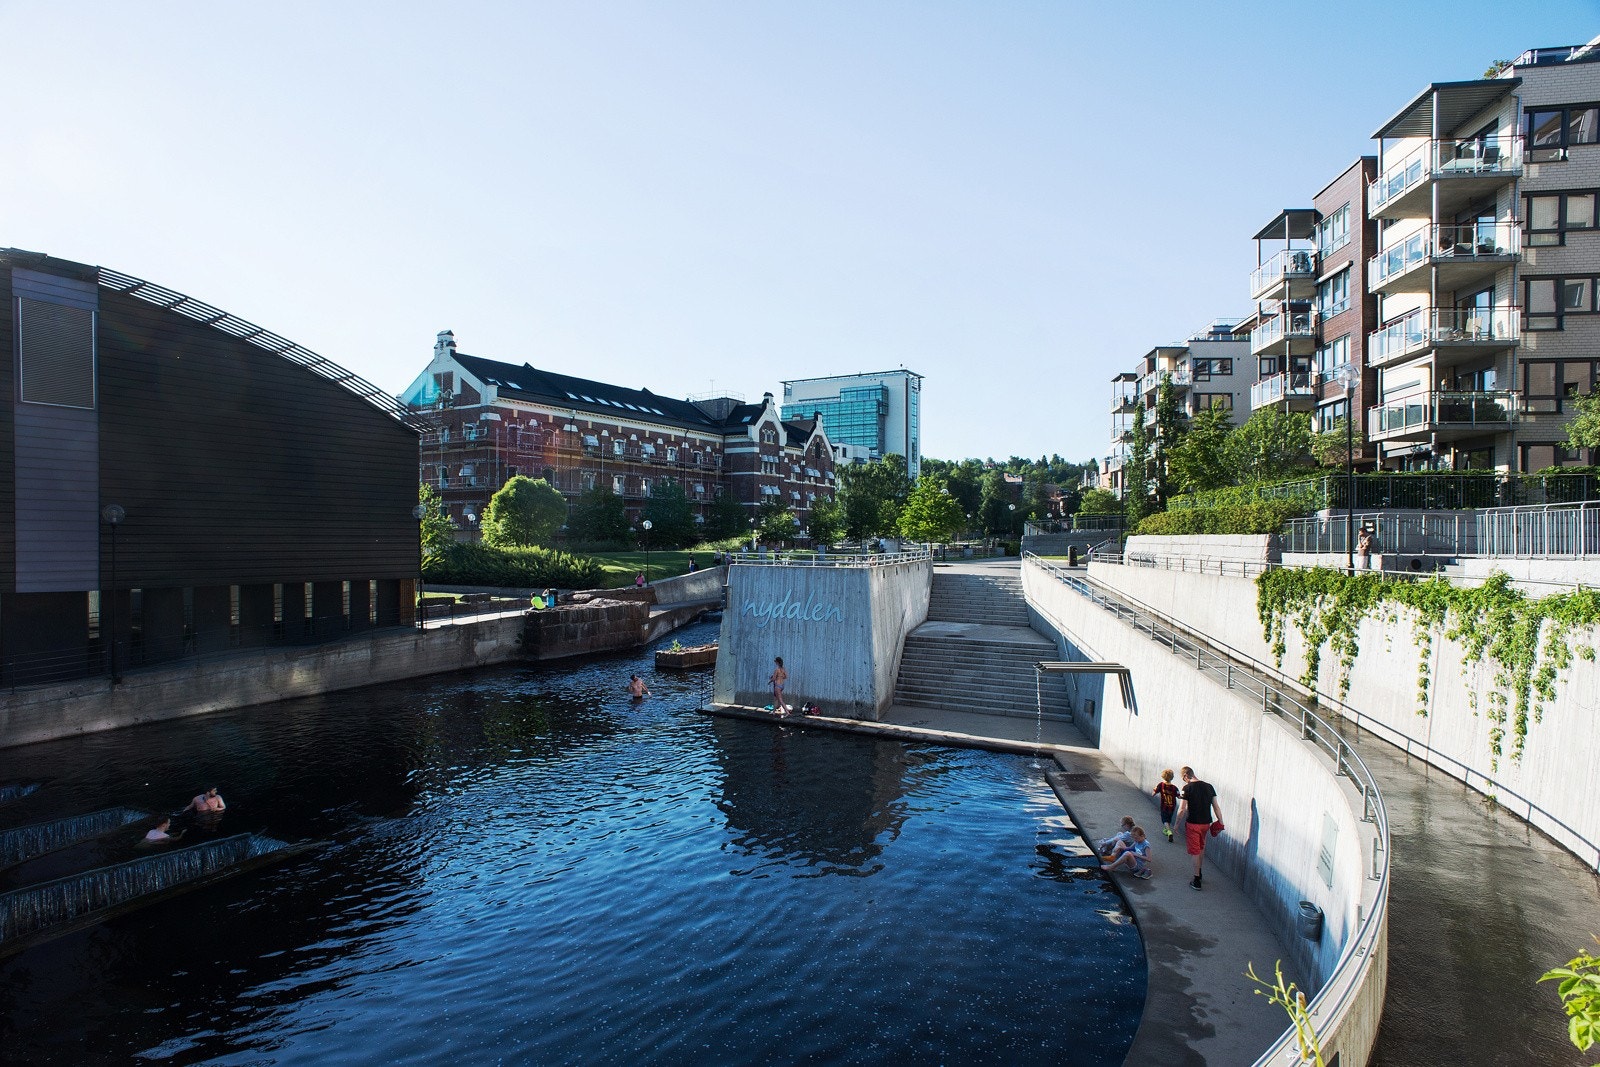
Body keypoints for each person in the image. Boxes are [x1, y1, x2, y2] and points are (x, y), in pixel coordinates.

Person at [1175, 766, 1223, 891]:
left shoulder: (1187, 788)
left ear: (1186, 776)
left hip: (1193, 824)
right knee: (1201, 848)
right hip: (1206, 824)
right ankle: (1200, 873)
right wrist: (1221, 822)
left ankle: (1196, 880)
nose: (1184, 781)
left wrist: (1176, 824)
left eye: (1183, 778)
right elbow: (1216, 807)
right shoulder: (1209, 786)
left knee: (1195, 851)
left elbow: (1182, 809)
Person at [1153, 769, 1181, 841]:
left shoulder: (1161, 785)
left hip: (1164, 806)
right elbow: (1179, 796)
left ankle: (1169, 831)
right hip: (1172, 807)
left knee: (1164, 819)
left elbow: (1154, 792)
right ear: (1172, 777)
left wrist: (1153, 793)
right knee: (1169, 819)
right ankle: (1166, 830)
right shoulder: (1174, 788)